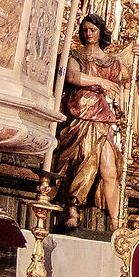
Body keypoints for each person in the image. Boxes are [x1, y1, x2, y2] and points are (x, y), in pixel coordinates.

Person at [52, 15, 130, 229]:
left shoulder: (110, 61)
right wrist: (101, 81)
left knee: (109, 169)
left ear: (100, 32)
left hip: (101, 117)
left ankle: (116, 222)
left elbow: (128, 78)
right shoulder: (75, 55)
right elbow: (72, 77)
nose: (88, 33)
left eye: (92, 30)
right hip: (79, 114)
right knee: (80, 161)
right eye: (85, 29)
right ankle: (72, 210)